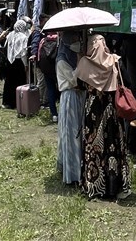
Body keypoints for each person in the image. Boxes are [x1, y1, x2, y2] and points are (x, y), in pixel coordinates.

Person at [75, 33, 131, 200]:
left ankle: (94, 185)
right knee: (113, 147)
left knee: (94, 147)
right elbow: (127, 81)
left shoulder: (84, 62)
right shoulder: (115, 61)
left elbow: (79, 85)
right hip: (112, 111)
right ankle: (115, 186)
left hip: (93, 112)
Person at [56, 30, 86, 185]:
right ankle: (72, 173)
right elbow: (74, 80)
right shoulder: (62, 60)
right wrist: (81, 63)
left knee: (79, 133)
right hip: (70, 97)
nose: (77, 41)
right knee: (71, 133)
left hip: (79, 97)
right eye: (73, 38)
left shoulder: (74, 56)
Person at [31, 14, 58, 123]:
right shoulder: (59, 38)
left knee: (50, 89)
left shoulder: (43, 39)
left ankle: (54, 114)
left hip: (46, 68)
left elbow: (34, 45)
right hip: (57, 68)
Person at [2, 18, 31, 109]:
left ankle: (7, 102)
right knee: (19, 82)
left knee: (9, 82)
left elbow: (6, 47)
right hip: (19, 62)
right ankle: (18, 102)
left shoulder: (10, 35)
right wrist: (26, 65)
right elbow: (23, 53)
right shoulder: (23, 37)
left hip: (10, 61)